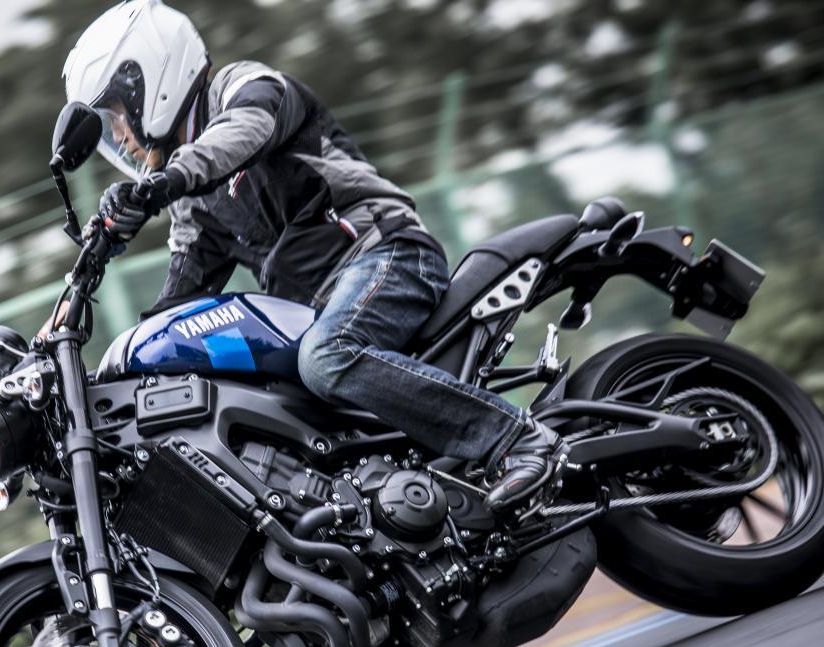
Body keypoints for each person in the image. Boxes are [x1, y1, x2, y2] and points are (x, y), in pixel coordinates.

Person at [63, 0, 564, 510]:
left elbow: (242, 132)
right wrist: (107, 381)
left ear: (150, 82)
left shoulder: (243, 89)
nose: (119, 137)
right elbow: (176, 303)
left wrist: (164, 183)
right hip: (319, 310)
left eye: (117, 115)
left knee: (326, 358)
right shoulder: (194, 202)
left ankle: (517, 439)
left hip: (386, 253)